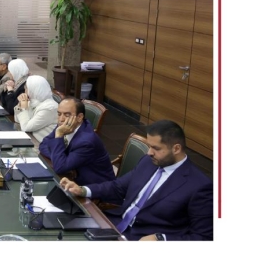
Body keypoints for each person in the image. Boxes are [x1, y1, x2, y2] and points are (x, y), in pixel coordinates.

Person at [60, 120, 213, 241]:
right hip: (113, 225)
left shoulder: (199, 186)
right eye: (149, 146)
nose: (149, 152)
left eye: (156, 148)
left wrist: (162, 239)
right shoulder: (148, 162)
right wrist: (83, 190)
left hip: (142, 239)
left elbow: (203, 237)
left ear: (176, 148)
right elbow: (118, 187)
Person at [39, 97, 115, 185]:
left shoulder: (87, 142)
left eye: (67, 115)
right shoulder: (64, 126)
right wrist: (61, 158)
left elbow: (59, 167)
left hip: (94, 188)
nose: (61, 119)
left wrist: (59, 136)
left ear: (79, 117)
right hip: (71, 180)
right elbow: (43, 145)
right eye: (59, 114)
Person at [13, 75, 58, 142]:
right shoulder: (32, 101)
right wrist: (20, 105)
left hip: (42, 144)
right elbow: (17, 120)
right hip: (32, 139)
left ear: (34, 90)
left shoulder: (49, 108)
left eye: (26, 88)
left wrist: (24, 108)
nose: (25, 90)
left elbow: (25, 127)